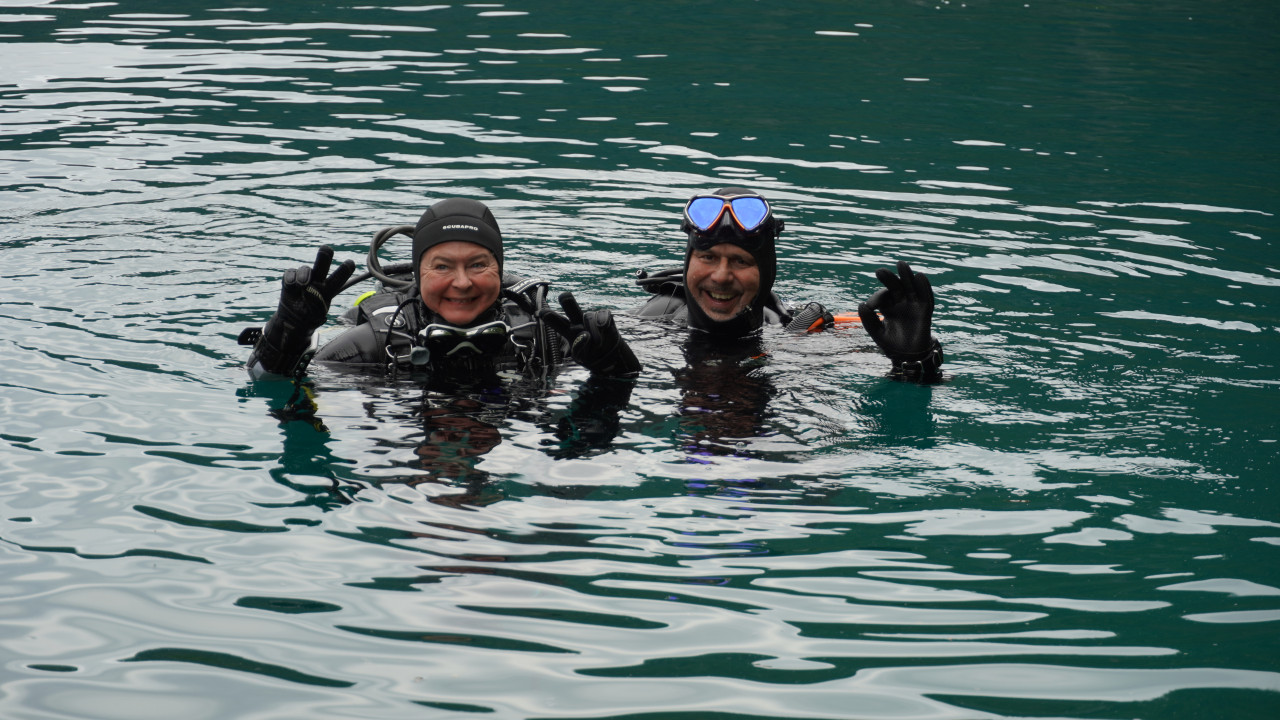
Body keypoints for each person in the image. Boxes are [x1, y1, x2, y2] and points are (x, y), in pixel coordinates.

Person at [241, 197, 641, 383]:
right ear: (418, 274)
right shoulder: (374, 342)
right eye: (443, 267)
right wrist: (288, 331)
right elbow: (266, 381)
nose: (462, 283)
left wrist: (614, 366)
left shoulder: (546, 337)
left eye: (478, 265)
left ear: (500, 271)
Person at [634, 187, 944, 380]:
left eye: (741, 261)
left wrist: (914, 362)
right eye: (708, 257)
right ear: (689, 261)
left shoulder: (805, 336)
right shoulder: (650, 323)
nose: (721, 276)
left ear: (767, 270)